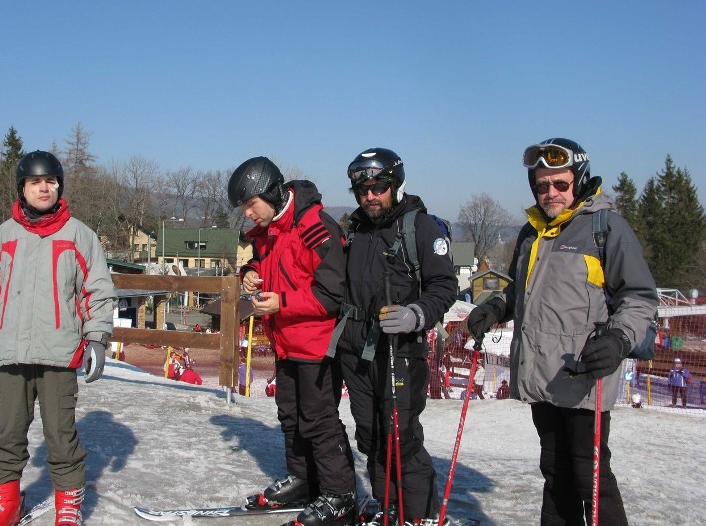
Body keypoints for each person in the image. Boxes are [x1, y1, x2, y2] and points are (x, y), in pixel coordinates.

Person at [467, 138, 658, 526]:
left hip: (586, 378)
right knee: (555, 475)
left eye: (560, 184)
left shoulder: (607, 228)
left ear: (579, 181)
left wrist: (619, 339)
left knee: (591, 479)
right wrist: (496, 307)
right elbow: (521, 291)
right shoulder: (531, 232)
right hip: (542, 378)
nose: (550, 192)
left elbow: (639, 297)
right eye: (541, 185)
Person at [0, 150, 116, 526]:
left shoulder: (79, 235)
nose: (43, 188)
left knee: (60, 434)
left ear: (59, 187)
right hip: (11, 350)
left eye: (50, 181)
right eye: (35, 182)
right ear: (22, 188)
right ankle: (6, 502)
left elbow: (97, 292)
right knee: (8, 431)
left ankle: (68, 503)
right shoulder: (6, 234)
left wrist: (97, 339)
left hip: (59, 351)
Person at [228, 156, 356, 526]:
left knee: (319, 421)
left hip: (317, 345)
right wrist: (250, 273)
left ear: (270, 192)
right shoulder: (269, 231)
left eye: (251, 205)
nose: (248, 214)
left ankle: (339, 494)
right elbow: (264, 263)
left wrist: (282, 302)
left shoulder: (314, 226)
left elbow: (332, 294)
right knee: (290, 416)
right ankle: (303, 480)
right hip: (286, 342)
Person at [336, 148, 458, 526]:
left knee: (399, 435)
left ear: (396, 185)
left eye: (379, 188)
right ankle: (387, 504)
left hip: (400, 347)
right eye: (363, 191)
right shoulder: (355, 228)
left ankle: (416, 514)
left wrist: (415, 314)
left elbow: (444, 285)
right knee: (370, 433)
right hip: (356, 348)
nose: (371, 196)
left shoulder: (420, 227)